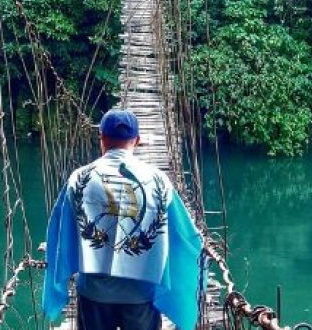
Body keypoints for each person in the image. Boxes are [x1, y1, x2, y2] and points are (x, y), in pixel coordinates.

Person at [42, 109, 205, 330]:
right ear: (137, 141)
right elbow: (185, 236)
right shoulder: (158, 180)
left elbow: (59, 234)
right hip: (141, 294)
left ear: (101, 137)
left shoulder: (78, 178)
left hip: (93, 294)